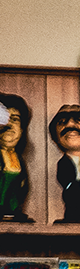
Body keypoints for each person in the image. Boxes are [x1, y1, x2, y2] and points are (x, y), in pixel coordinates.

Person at [50, 105, 80, 223]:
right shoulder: (64, 162)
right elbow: (63, 177)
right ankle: (72, 217)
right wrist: (74, 185)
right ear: (55, 138)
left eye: (79, 120)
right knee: (73, 205)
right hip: (72, 192)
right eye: (62, 121)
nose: (70, 124)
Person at [0, 94, 31, 222]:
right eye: (4, 120)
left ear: (22, 129)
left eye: (15, 120)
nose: (9, 126)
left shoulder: (17, 158)